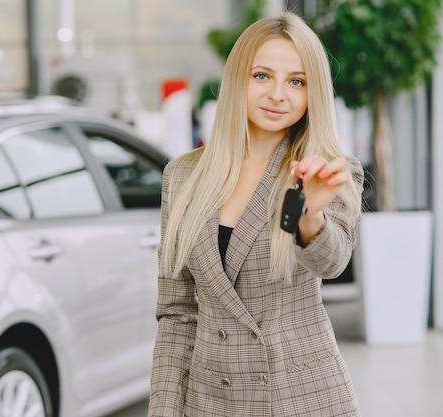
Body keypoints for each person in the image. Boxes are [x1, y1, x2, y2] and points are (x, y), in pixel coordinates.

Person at [148, 11, 363, 417]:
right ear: (237, 80)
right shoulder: (184, 176)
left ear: (312, 92)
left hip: (301, 399)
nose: (278, 95)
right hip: (210, 401)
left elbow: (331, 262)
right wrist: (164, 409)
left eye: (296, 81)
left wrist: (306, 218)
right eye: (262, 76)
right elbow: (177, 312)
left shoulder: (321, 169)